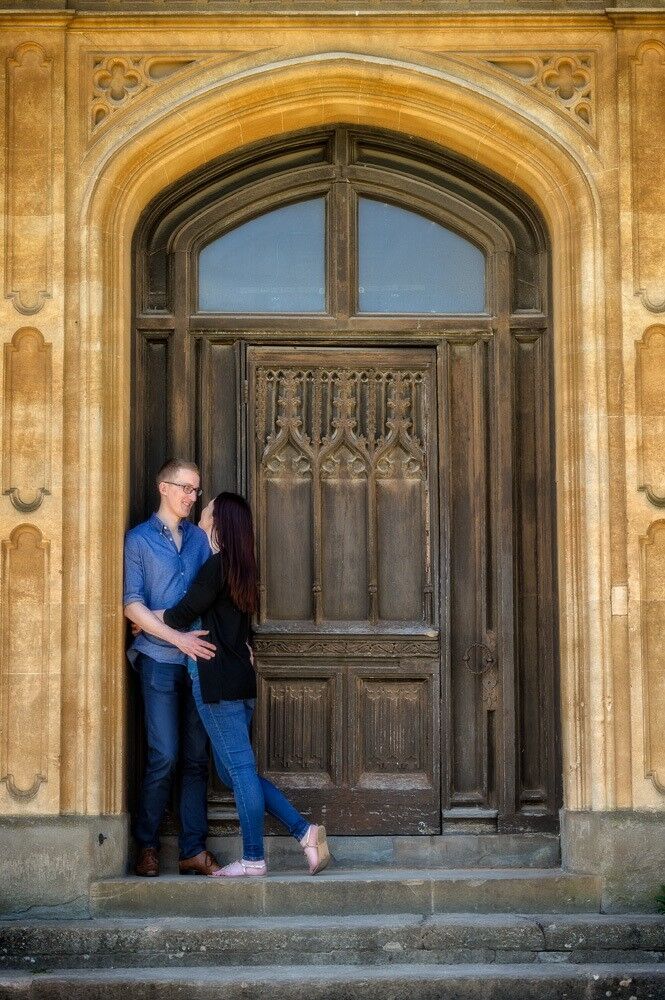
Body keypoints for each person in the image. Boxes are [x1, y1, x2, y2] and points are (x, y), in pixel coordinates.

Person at [134, 491, 331, 878]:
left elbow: (179, 615)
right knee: (231, 772)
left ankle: (254, 858)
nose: (202, 515)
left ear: (219, 524)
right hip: (240, 683)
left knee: (239, 772)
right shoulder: (242, 570)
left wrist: (144, 618)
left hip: (217, 685)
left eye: (208, 512)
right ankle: (304, 831)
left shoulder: (215, 568)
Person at [123, 458, 222, 878]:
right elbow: (131, 604)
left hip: (198, 664)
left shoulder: (200, 542)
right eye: (185, 488)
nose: (190, 496)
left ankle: (192, 851)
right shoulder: (138, 540)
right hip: (159, 663)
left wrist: (157, 617)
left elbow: (211, 596)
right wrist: (174, 633)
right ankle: (146, 845)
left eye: (196, 491)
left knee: (197, 759)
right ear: (163, 487)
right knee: (164, 755)